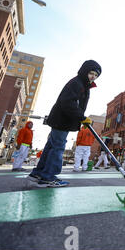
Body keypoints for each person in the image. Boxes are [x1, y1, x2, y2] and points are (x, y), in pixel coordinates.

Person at [27, 60, 102, 188]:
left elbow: (75, 104)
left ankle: (38, 174)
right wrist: (82, 117)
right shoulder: (77, 83)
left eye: (96, 75)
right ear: (84, 71)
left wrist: (80, 117)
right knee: (58, 148)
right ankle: (48, 177)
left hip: (61, 120)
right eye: (91, 73)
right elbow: (68, 102)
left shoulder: (83, 84)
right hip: (62, 120)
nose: (93, 76)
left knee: (51, 147)